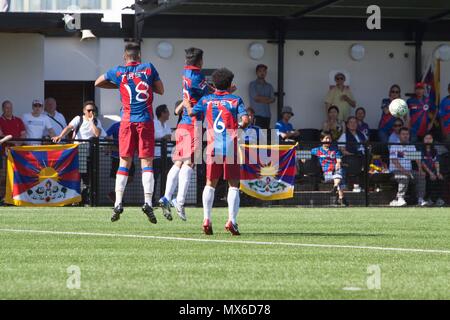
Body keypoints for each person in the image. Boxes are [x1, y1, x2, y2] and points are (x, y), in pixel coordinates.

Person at [94, 42, 164, 223]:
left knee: (124, 162)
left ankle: (118, 202)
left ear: (125, 58)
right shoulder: (148, 68)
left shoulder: (118, 71)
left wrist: (119, 84)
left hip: (126, 121)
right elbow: (161, 90)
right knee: (146, 162)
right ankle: (148, 201)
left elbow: (98, 82)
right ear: (139, 57)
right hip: (145, 120)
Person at [188, 68, 249, 235]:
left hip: (213, 146)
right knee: (234, 184)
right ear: (230, 84)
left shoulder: (206, 99)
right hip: (230, 146)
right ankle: (232, 221)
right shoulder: (236, 100)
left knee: (210, 183)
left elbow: (192, 112)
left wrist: (187, 104)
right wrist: (241, 126)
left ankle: (206, 219)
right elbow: (245, 120)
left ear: (214, 84)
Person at [159, 48, 209, 221]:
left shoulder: (186, 73)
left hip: (183, 123)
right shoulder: (198, 76)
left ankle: (166, 197)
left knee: (179, 162)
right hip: (193, 123)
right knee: (189, 163)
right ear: (200, 61)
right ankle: (179, 201)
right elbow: (208, 94)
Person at [389, 127, 427, 207]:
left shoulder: (411, 146)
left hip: (409, 171)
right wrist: (404, 171)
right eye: (403, 134)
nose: (405, 136)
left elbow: (416, 158)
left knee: (421, 176)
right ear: (399, 135)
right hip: (395, 171)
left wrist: (421, 169)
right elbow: (394, 161)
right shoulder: (394, 146)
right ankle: (400, 198)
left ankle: (420, 199)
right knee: (404, 176)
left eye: (407, 134)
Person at [311, 131, 348, 206]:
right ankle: (341, 197)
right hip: (326, 174)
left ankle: (336, 189)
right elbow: (303, 154)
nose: (328, 140)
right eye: (326, 138)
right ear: (321, 140)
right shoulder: (316, 150)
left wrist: (338, 163)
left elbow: (338, 160)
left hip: (336, 171)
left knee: (340, 170)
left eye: (330, 138)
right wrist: (303, 158)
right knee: (341, 176)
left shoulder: (335, 150)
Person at [105, 121, 135, 203]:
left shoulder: (133, 124)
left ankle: (115, 194)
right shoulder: (116, 125)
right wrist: (110, 146)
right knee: (119, 176)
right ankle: (118, 198)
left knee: (130, 177)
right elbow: (105, 135)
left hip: (129, 156)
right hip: (116, 156)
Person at [153, 104, 173, 207]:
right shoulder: (154, 123)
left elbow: (169, 137)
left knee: (167, 178)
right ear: (162, 113)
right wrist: (164, 137)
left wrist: (167, 137)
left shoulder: (167, 125)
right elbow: (155, 137)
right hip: (156, 156)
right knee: (155, 179)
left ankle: (164, 198)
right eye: (167, 111)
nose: (169, 113)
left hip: (167, 156)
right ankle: (151, 199)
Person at [420, 133, 445, 206]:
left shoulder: (435, 151)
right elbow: (422, 163)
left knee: (440, 178)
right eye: (426, 138)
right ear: (424, 140)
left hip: (434, 171)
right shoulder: (421, 150)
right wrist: (430, 173)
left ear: (432, 140)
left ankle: (438, 199)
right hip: (425, 171)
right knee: (429, 179)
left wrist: (437, 173)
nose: (428, 140)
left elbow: (437, 162)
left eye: (430, 138)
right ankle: (428, 198)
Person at [249, 64, 275, 129]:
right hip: (256, 115)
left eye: (264, 71)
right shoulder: (252, 84)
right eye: (260, 71)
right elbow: (256, 98)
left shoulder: (269, 86)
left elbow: (273, 99)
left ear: (266, 73)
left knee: (264, 137)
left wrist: (261, 98)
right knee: (256, 137)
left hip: (267, 116)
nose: (262, 73)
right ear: (256, 72)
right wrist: (267, 99)